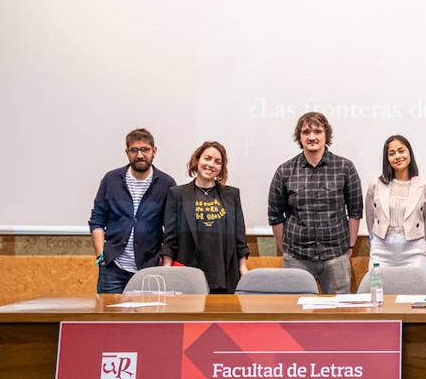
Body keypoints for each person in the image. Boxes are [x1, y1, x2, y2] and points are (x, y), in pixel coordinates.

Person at [267, 112, 363, 294]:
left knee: (339, 313)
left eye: (317, 131)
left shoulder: (345, 168)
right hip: (296, 257)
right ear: (299, 137)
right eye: (306, 132)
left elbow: (355, 211)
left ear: (326, 135)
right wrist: (286, 249)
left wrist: (350, 246)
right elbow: (275, 215)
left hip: (336, 255)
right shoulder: (285, 171)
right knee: (295, 314)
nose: (312, 137)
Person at [88, 127, 176, 294]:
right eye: (134, 150)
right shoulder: (111, 180)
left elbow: (172, 229)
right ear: (127, 152)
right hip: (113, 268)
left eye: (145, 149)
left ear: (154, 151)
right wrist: (101, 255)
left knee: (146, 319)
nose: (140, 155)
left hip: (149, 268)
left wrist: (165, 266)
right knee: (109, 318)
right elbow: (97, 220)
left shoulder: (166, 183)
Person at [160, 141, 249, 293]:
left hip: (225, 274)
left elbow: (239, 237)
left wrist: (243, 267)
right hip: (188, 274)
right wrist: (166, 270)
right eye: (207, 158)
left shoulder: (232, 195)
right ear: (197, 159)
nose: (211, 164)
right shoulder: (177, 194)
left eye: (217, 162)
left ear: (221, 168)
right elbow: (170, 238)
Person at [365, 135, 426, 269]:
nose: (397, 156)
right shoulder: (375, 184)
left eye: (401, 151)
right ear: (387, 159)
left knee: (416, 288)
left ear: (409, 152)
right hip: (381, 249)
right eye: (392, 154)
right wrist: (373, 240)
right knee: (376, 287)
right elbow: (370, 217)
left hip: (414, 249)